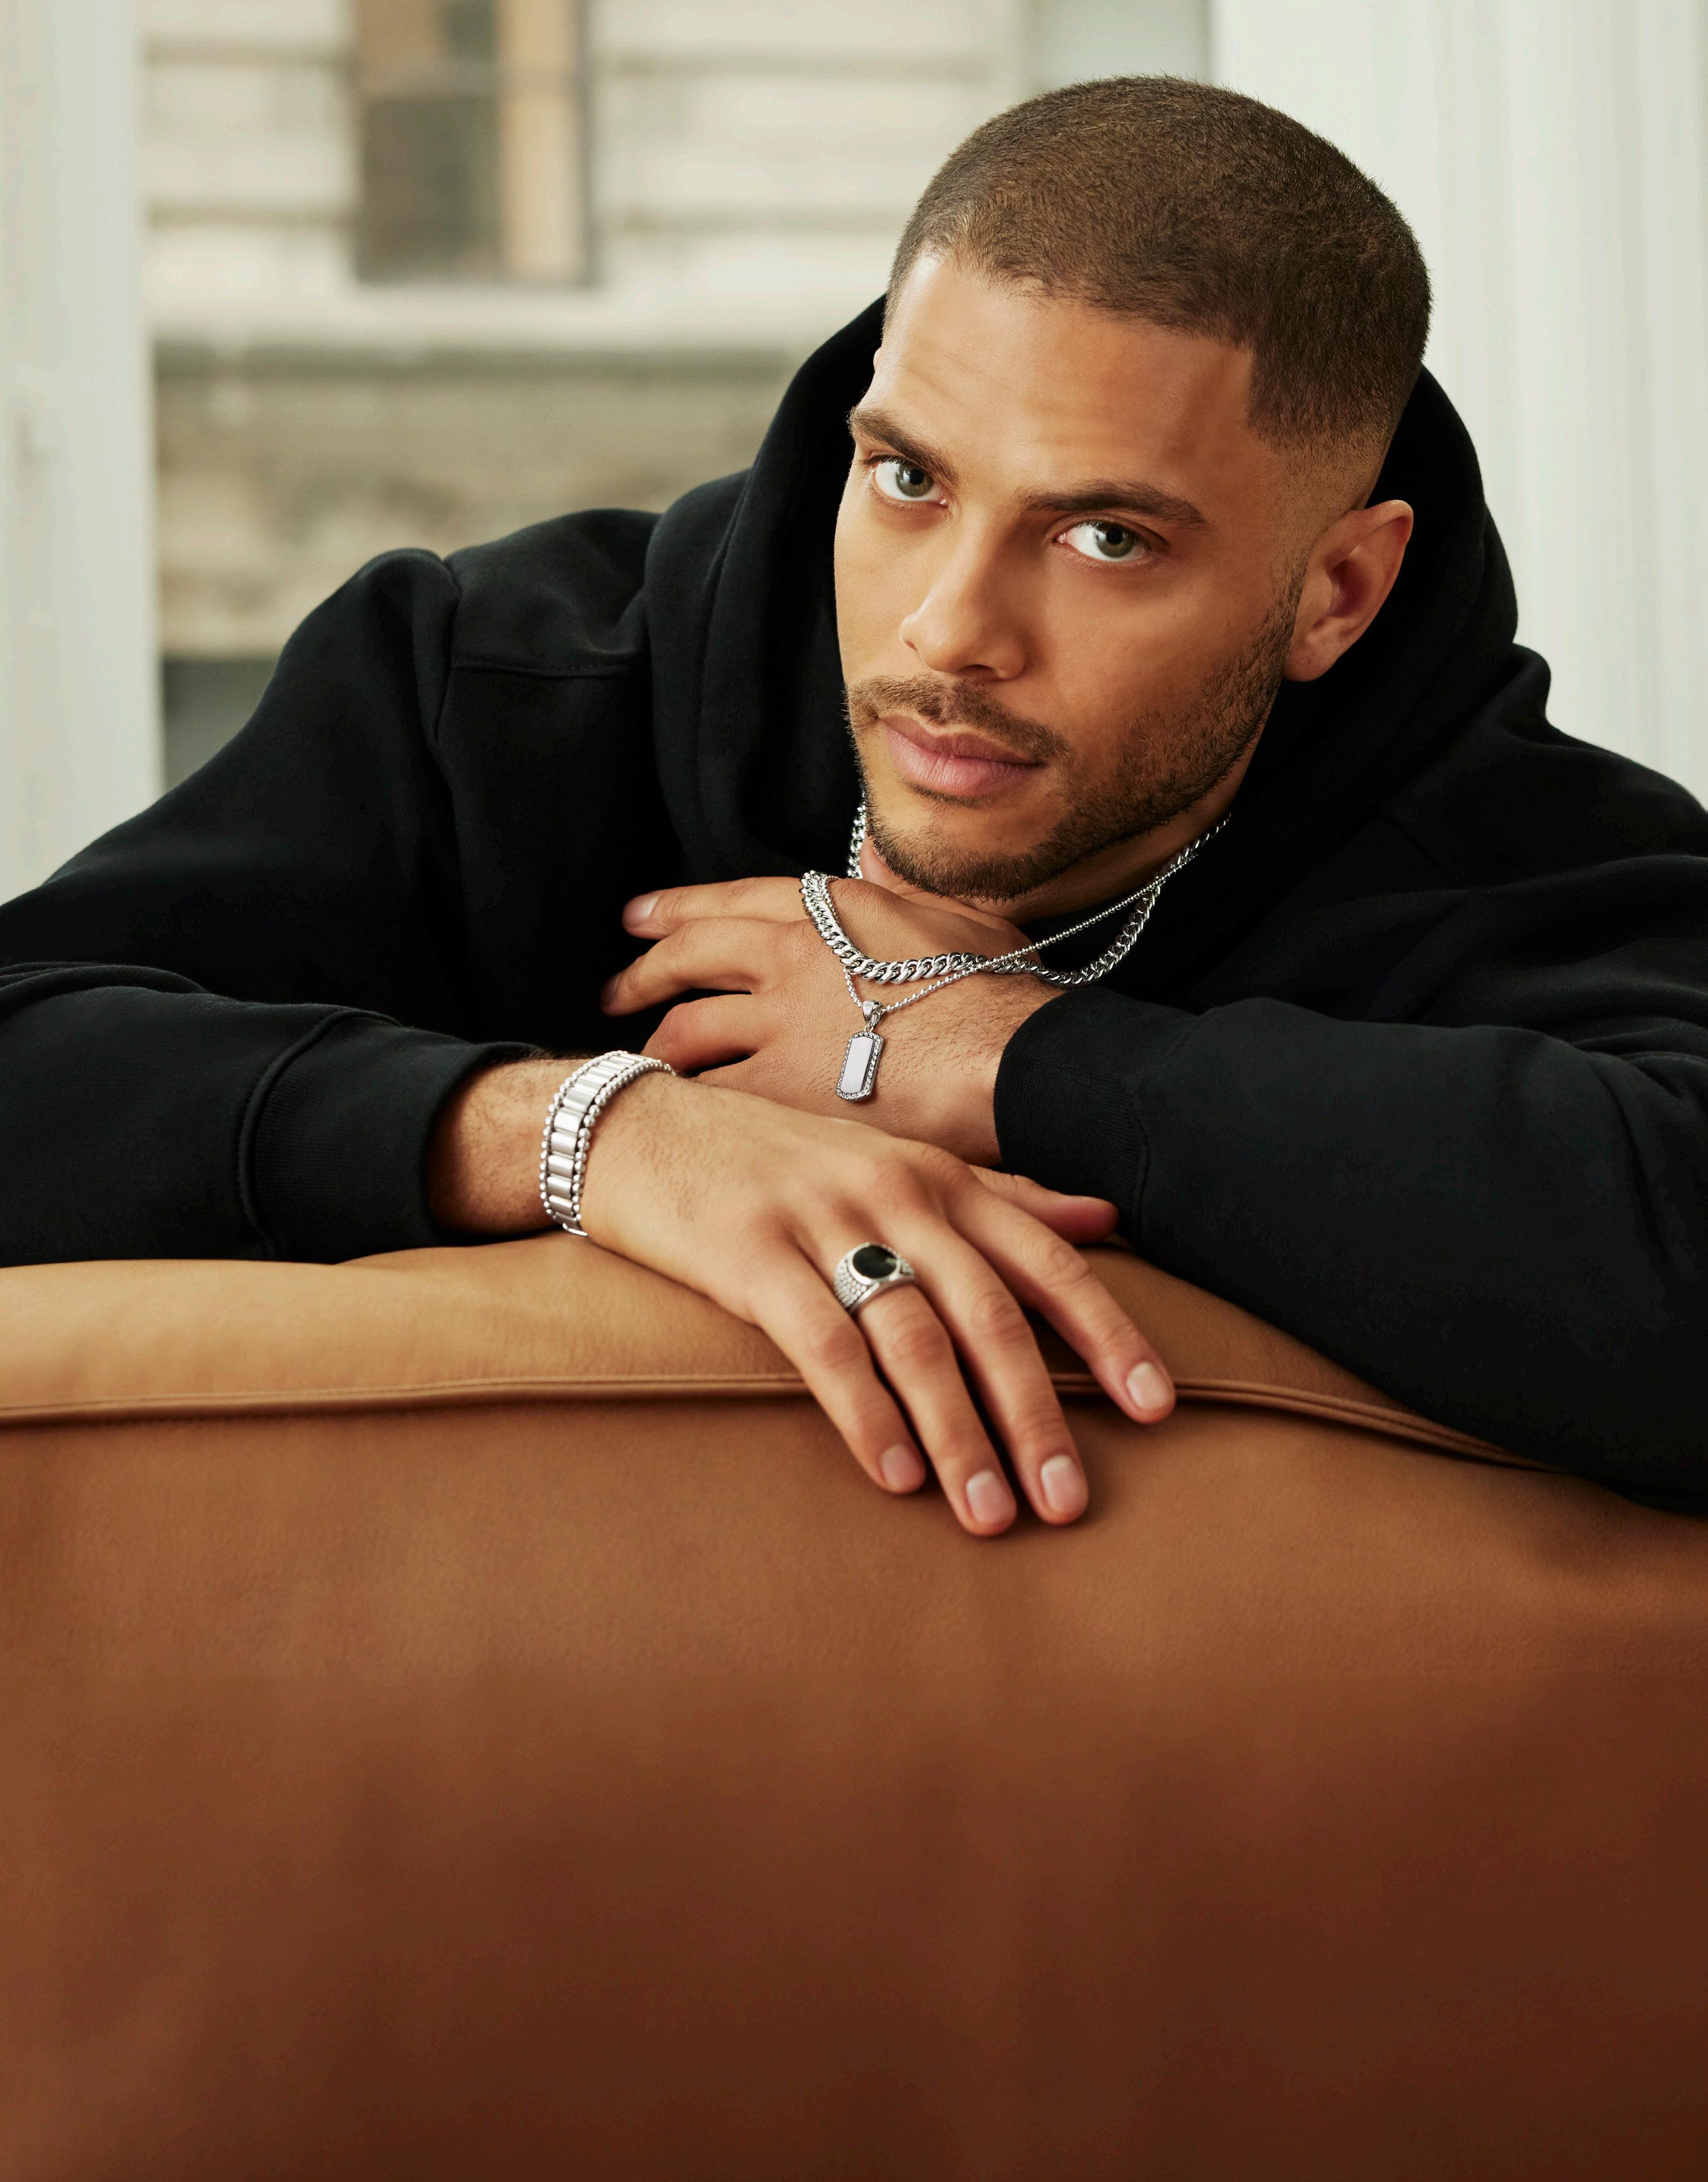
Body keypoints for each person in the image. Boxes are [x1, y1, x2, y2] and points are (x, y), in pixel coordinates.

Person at [3, 79, 1705, 1533]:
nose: (949, 631)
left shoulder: (1517, 850)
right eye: (908, 477)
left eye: (1105, 536)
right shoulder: (501, 685)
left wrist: (998, 1058)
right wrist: (594, 1136)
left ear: (1338, 591)